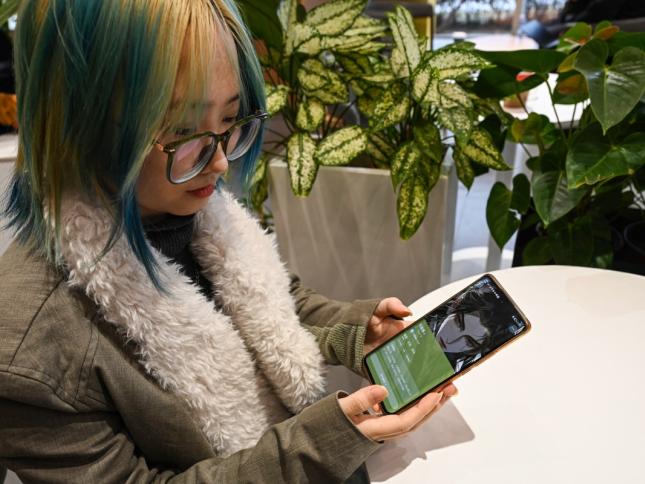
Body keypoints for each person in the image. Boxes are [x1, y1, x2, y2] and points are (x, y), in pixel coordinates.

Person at [0, 1, 456, 482]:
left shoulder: (195, 210)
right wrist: (319, 444)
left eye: (231, 121)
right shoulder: (31, 350)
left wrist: (359, 332)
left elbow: (273, 305)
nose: (220, 164)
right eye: (183, 131)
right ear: (77, 122)